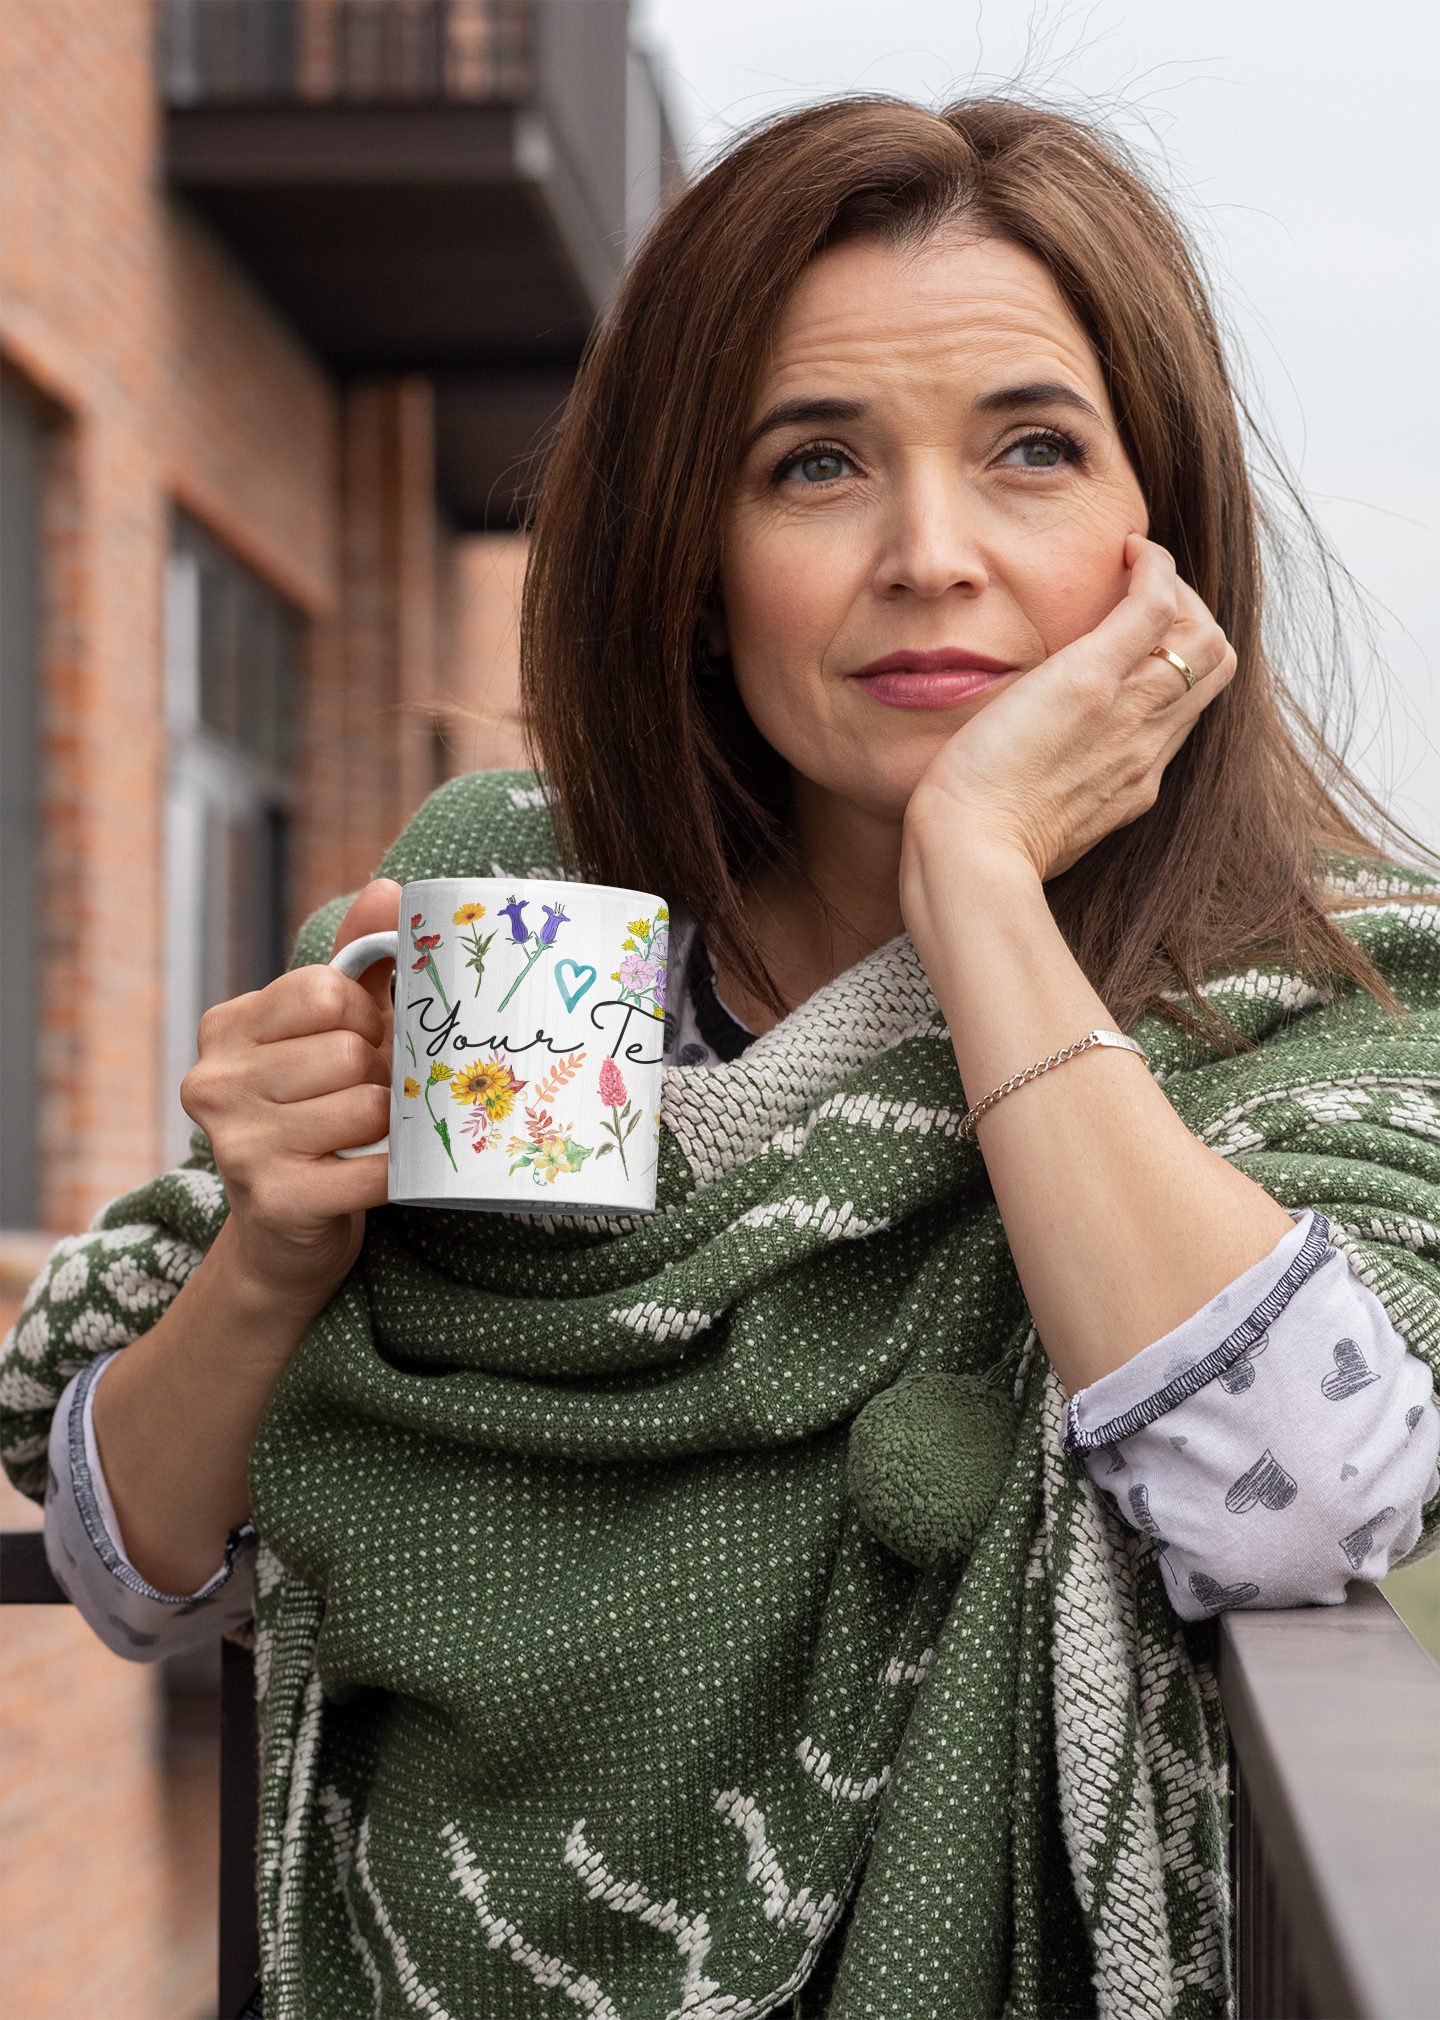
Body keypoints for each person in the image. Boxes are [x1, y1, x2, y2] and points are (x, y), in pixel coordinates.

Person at [4, 97, 1437, 2020]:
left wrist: (982, 889)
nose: (931, 554)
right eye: (817, 464)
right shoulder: (512, 923)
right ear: (696, 553)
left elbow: (1303, 1497)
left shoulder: (1315, 999)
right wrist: (273, 1255)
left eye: (1031, 450)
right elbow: (138, 1573)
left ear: (1155, 535)